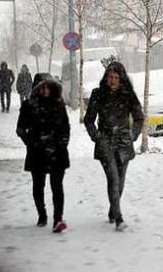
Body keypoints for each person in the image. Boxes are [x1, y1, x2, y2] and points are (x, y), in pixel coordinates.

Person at [84, 62, 144, 231]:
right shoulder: (98, 94)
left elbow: (139, 117)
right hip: (105, 141)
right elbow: (89, 119)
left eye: (116, 78)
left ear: (121, 79)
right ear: (106, 77)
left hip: (124, 142)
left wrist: (133, 135)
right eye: (110, 77)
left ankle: (113, 210)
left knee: (121, 182)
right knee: (113, 179)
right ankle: (118, 218)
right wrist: (95, 136)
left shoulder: (128, 95)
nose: (113, 81)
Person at [16, 73, 70, 233]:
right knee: (38, 186)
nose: (45, 90)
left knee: (57, 186)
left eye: (48, 87)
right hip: (37, 152)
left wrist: (62, 143)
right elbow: (20, 129)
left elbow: (66, 127)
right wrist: (31, 143)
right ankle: (42, 214)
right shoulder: (28, 106)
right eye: (42, 87)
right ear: (37, 89)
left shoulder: (58, 104)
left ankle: (58, 219)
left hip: (57, 152)